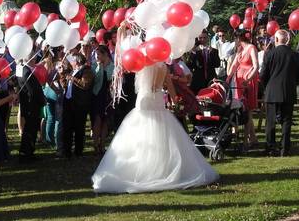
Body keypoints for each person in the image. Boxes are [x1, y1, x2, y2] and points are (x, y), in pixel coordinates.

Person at [91, 55, 220, 193]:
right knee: (160, 131)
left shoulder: (142, 66)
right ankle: (161, 168)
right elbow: (169, 85)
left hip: (143, 99)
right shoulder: (163, 67)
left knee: (141, 130)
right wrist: (175, 102)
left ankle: (140, 168)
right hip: (157, 98)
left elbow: (134, 78)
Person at [258, 29, 299, 156]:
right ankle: (285, 149)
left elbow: (262, 75)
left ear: (276, 40)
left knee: (270, 122)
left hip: (272, 92)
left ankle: (270, 148)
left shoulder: (269, 54)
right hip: (288, 91)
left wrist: (267, 86)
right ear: (288, 40)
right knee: (286, 121)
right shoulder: (295, 55)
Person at [228, 31, 259, 147]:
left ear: (239, 39)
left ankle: (248, 139)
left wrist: (248, 79)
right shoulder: (240, 50)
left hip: (248, 82)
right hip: (239, 82)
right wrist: (227, 79)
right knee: (243, 109)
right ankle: (253, 137)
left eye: (235, 39)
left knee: (247, 110)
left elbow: (256, 66)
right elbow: (234, 66)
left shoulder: (251, 48)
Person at [59, 53, 93, 158]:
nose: (71, 62)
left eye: (73, 60)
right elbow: (65, 85)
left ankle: (78, 151)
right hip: (68, 102)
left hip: (79, 105)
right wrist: (62, 76)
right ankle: (67, 150)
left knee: (79, 128)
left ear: (77, 62)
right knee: (67, 128)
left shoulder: (87, 71)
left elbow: (85, 84)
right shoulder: (73, 71)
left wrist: (72, 79)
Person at [90, 45, 114, 155]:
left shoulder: (111, 66)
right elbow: (95, 79)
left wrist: (106, 65)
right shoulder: (94, 65)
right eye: (96, 54)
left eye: (99, 54)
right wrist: (99, 67)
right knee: (97, 119)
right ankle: (95, 144)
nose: (97, 56)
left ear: (105, 54)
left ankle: (102, 144)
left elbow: (110, 78)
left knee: (105, 120)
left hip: (107, 96)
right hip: (97, 96)